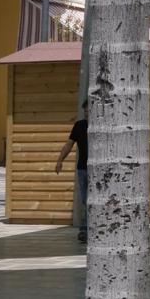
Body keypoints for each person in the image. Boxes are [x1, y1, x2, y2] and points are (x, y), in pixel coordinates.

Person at [55, 100, 89, 243]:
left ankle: (89, 228)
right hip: (83, 168)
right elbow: (69, 144)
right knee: (85, 200)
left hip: (99, 169)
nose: (87, 113)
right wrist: (60, 160)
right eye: (86, 111)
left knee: (94, 200)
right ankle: (85, 229)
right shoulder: (79, 125)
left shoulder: (102, 126)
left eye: (90, 110)